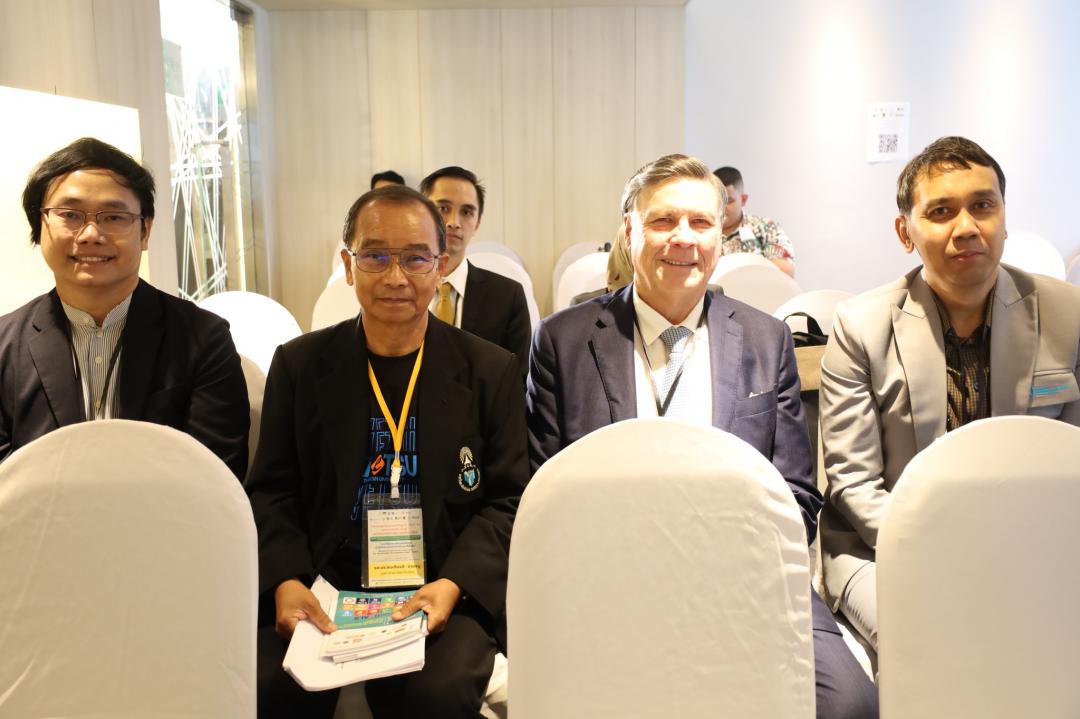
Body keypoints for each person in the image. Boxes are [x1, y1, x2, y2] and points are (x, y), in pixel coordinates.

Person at [528, 154, 878, 718]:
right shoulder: (563, 342)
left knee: (849, 705)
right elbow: (544, 494)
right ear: (629, 231)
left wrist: (724, 562)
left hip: (748, 579)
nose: (683, 239)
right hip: (610, 582)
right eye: (663, 221)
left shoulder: (766, 339)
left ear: (722, 236)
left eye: (701, 222)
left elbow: (797, 492)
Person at [248, 184, 528, 718]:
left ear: (440, 267)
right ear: (348, 266)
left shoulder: (490, 370)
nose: (395, 277)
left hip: (441, 582)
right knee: (267, 685)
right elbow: (271, 489)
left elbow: (509, 498)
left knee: (435, 694)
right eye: (375, 256)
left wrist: (454, 584)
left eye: (416, 258)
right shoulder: (300, 365)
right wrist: (285, 580)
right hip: (324, 584)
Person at [819, 135, 1080, 651]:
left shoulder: (1067, 316)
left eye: (983, 206)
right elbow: (854, 483)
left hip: (1032, 540)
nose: (966, 228)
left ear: (1004, 217)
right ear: (905, 232)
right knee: (939, 645)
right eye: (941, 211)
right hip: (885, 547)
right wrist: (955, 552)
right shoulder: (860, 326)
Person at [0, 137, 248, 478]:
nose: (90, 234)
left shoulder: (204, 338)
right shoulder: (4, 346)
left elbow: (215, 474)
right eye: (70, 215)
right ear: (39, 227)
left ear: (145, 231)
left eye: (114, 216)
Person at [420, 166, 531, 377]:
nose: (454, 223)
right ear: (420, 214)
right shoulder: (400, 287)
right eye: (443, 208)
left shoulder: (507, 297)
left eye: (467, 212)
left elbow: (518, 380)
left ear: (477, 223)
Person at [713, 166, 796, 278]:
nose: (721, 208)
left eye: (728, 201)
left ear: (743, 199)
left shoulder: (766, 228)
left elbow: (784, 274)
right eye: (716, 201)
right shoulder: (700, 231)